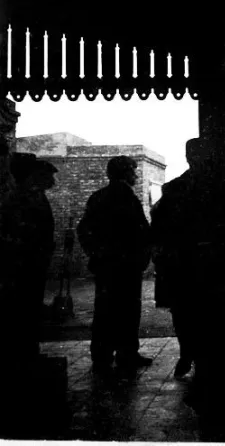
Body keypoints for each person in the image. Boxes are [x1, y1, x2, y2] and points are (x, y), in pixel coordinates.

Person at [77, 156, 153, 372]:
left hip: (106, 266)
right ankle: (127, 353)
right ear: (125, 173)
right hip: (127, 266)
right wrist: (142, 257)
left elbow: (84, 230)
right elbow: (140, 232)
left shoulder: (98, 197)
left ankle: (101, 354)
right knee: (128, 311)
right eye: (133, 171)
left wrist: (96, 253)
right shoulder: (127, 197)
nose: (136, 175)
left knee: (104, 310)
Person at [151, 138, 207, 378]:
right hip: (208, 265)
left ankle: (187, 354)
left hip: (180, 264)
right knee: (208, 314)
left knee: (183, 314)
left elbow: (159, 228)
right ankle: (204, 359)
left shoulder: (173, 188)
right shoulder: (221, 186)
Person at [0, 153, 58, 361]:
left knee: (28, 309)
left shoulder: (27, 195)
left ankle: (27, 352)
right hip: (24, 266)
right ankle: (23, 355)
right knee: (24, 309)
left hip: (30, 263)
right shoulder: (25, 197)